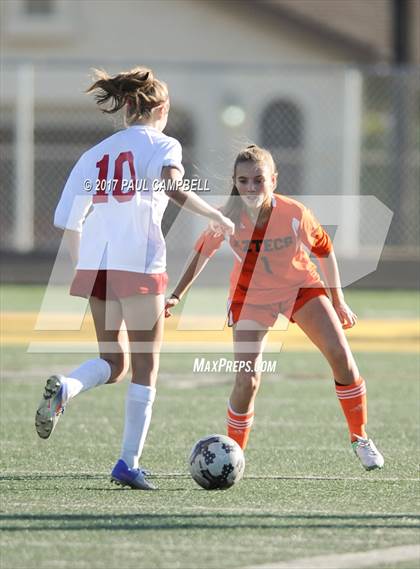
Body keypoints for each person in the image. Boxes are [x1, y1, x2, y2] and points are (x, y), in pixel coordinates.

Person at [35, 66, 234, 489]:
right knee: (146, 367)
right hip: (140, 264)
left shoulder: (96, 152)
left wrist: (81, 266)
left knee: (115, 362)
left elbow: (68, 220)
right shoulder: (164, 143)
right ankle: (128, 462)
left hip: (97, 264)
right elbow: (175, 188)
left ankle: (67, 389)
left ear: (127, 106)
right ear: (160, 108)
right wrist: (216, 214)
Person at [165, 144, 384, 471]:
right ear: (235, 182)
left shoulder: (295, 213)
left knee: (341, 357)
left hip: (300, 289)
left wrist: (338, 301)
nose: (251, 187)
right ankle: (233, 458)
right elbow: (201, 254)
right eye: (243, 181)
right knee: (247, 380)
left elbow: (324, 251)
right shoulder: (224, 216)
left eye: (259, 180)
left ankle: (360, 437)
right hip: (250, 297)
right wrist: (177, 295)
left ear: (274, 180)